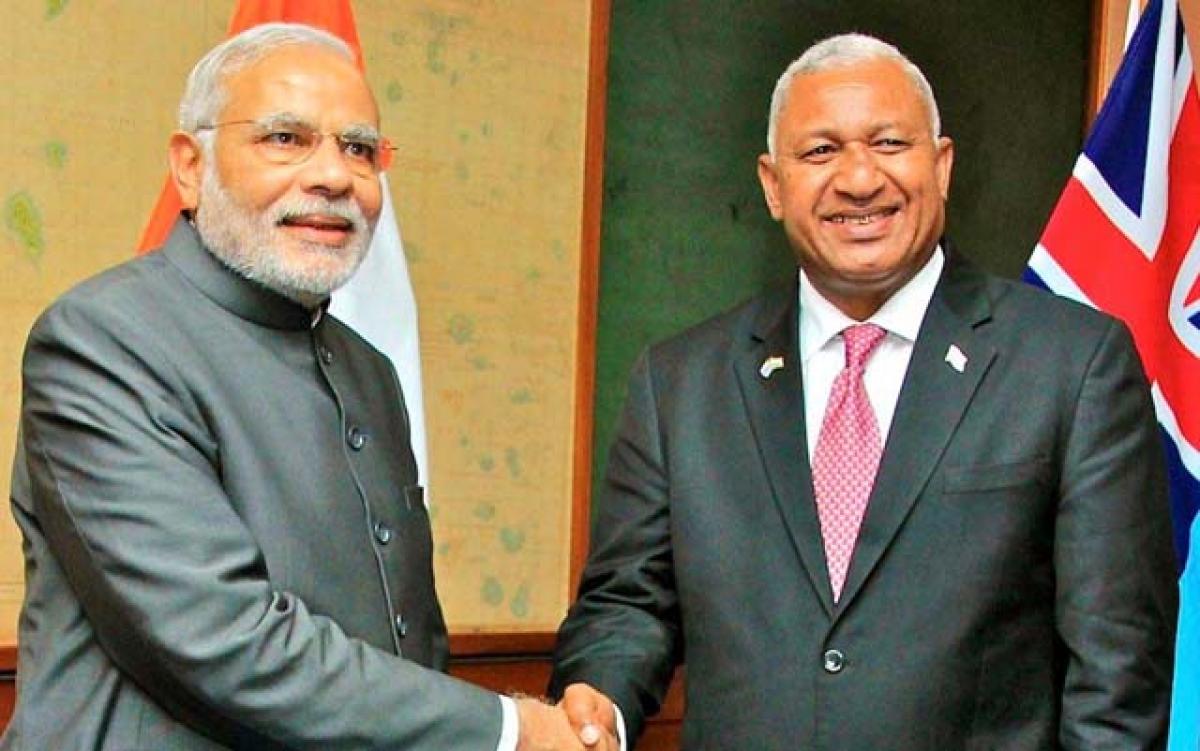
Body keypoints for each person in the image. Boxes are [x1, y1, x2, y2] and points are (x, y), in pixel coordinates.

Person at [550, 33, 1178, 749]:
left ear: (941, 166)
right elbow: (627, 606)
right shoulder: (681, 385)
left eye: (888, 143)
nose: (858, 179)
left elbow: (1118, 674)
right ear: (772, 184)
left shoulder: (1074, 365)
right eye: (820, 151)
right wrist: (595, 703)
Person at [2, 22, 589, 751]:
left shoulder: (369, 370)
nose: (334, 176)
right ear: (191, 166)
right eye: (285, 138)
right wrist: (507, 730)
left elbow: (408, 635)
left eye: (359, 148)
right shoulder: (104, 341)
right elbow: (218, 636)